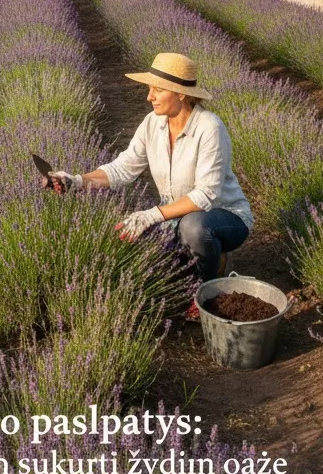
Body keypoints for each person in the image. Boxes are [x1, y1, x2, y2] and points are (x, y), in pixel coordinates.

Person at [47, 52, 252, 320]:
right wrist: (76, 181)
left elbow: (206, 196)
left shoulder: (209, 128)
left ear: (180, 94)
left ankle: (205, 294)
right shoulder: (152, 123)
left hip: (225, 218)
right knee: (131, 240)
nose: (149, 96)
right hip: (176, 217)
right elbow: (123, 168)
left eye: (158, 90)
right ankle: (213, 261)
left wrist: (153, 215)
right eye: (149, 89)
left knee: (195, 227)